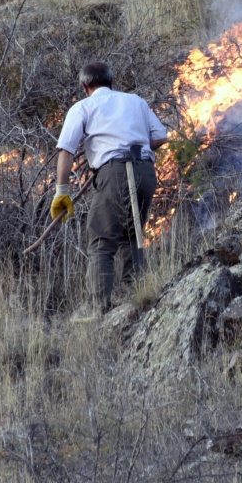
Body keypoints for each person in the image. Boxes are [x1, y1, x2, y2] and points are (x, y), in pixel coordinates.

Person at [51, 60, 168, 316]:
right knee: (132, 236)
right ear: (111, 81)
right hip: (146, 171)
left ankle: (97, 310)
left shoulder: (83, 106)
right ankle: (135, 302)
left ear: (85, 87)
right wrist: (133, 146)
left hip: (114, 172)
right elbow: (160, 136)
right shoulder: (135, 101)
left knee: (101, 241)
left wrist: (62, 191)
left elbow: (66, 151)